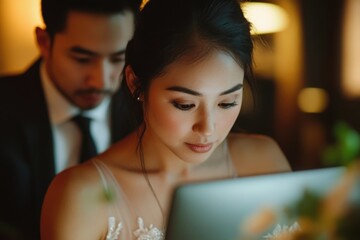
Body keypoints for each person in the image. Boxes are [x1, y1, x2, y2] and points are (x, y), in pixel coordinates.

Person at [40, 0, 291, 239]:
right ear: (135, 82)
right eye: (185, 104)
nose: (208, 127)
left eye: (227, 103)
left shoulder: (264, 162)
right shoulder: (80, 196)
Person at [0, 0, 141, 239]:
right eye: (82, 59)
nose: (100, 81)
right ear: (44, 42)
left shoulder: (147, 109)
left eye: (118, 59)